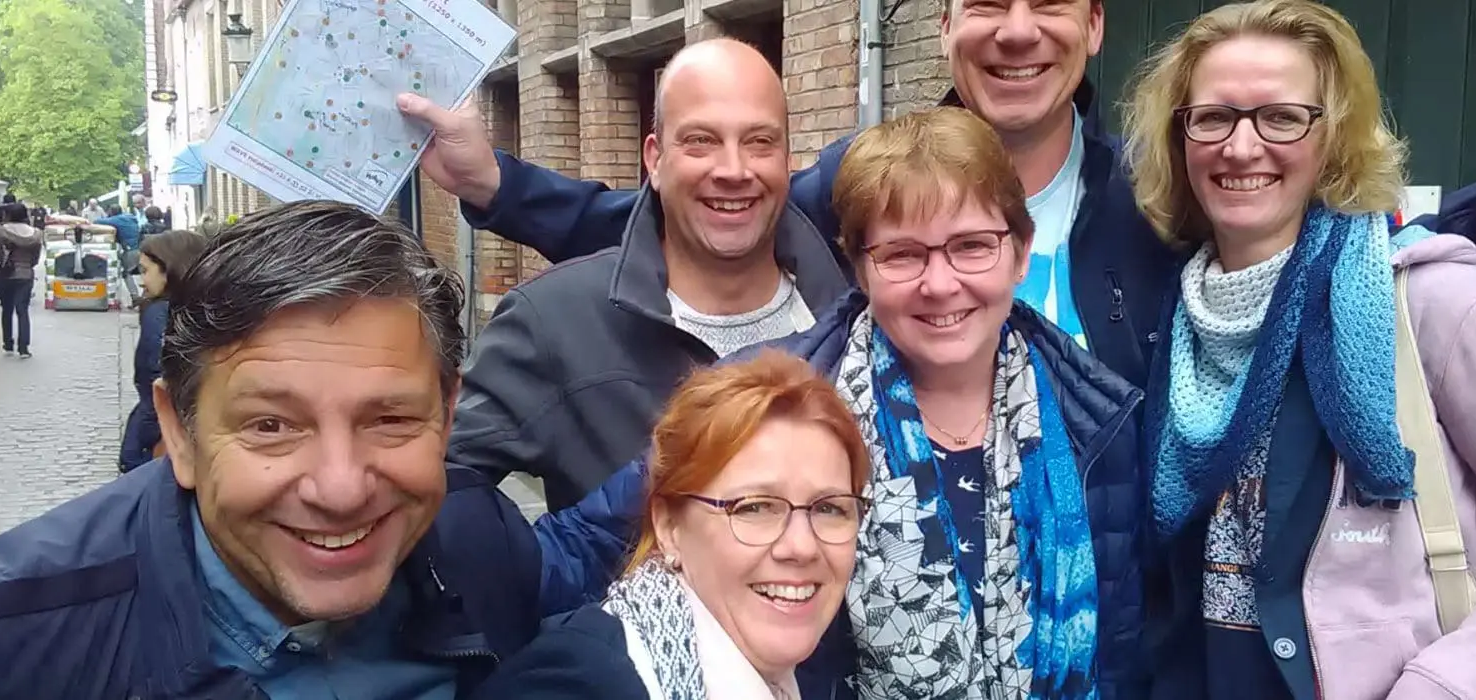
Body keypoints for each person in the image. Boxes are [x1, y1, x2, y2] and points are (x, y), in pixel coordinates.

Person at [398, 2, 1476, 399]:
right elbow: (698, 214)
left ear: (1092, 26)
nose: (1016, 28)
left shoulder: (1162, 195)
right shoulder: (859, 183)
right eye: (983, 3)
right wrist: (497, 184)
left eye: (1046, 0)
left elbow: (1371, 273)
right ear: (947, 26)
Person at [527, 106, 1146, 699]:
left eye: (972, 246)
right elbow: (580, 550)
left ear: (1020, 251)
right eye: (902, 254)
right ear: (860, 268)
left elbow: (1124, 651)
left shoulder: (1096, 416)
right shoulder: (772, 401)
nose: (940, 284)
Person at [1127, 3, 1476, 699]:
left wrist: (1439, 684)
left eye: (1281, 117)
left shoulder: (1434, 301)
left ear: (1333, 136)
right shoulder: (1173, 317)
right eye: (1213, 118)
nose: (1241, 147)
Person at [0, 201, 545, 697]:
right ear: (178, 431)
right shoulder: (10, 641)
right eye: (271, 426)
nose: (341, 490)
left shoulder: (485, 541)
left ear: (446, 415)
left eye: (390, 420)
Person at [445, 38, 849, 508]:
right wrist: (543, 556)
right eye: (700, 141)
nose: (733, 169)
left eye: (760, 142)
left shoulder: (861, 314)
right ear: (654, 159)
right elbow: (432, 491)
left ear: (788, 159)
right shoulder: (553, 324)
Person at [474, 350, 870, 700]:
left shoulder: (800, 676)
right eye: (755, 508)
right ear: (668, 527)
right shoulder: (576, 683)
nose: (802, 546)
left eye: (830, 509)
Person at [119, 229, 207, 472]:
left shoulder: (159, 311)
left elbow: (155, 374)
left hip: (160, 425)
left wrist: (145, 433)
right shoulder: (202, 308)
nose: (142, 281)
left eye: (145, 271)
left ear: (168, 270)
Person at [0, 202, 42, 358]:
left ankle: (8, 344)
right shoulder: (35, 234)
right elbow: (35, 259)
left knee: (7, 309)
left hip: (5, 275)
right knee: (22, 310)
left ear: (7, 215)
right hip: (25, 274)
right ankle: (24, 348)